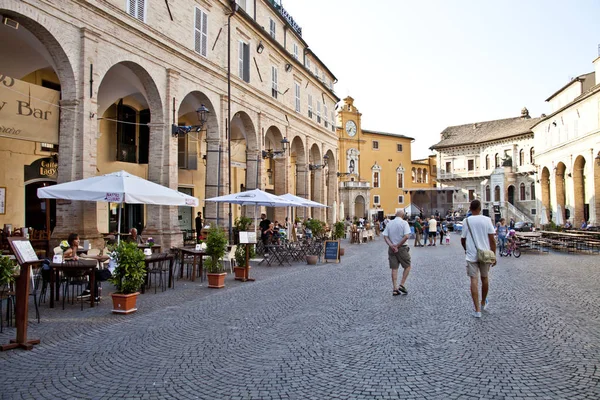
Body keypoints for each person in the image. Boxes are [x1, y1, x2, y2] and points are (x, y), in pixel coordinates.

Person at [461, 200, 496, 318]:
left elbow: (463, 239)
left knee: (473, 280)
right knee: (485, 278)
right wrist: (494, 255)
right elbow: (492, 239)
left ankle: (477, 310)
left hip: (471, 255)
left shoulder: (466, 221)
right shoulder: (487, 220)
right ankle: (483, 301)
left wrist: (466, 249)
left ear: (470, 208)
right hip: (485, 254)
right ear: (480, 208)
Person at [383, 210, 412, 296]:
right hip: (402, 248)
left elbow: (385, 236)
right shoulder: (404, 223)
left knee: (394, 269)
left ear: (395, 215)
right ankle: (401, 284)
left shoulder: (389, 223)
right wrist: (398, 245)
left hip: (391, 249)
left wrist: (392, 245)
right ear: (403, 216)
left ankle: (395, 288)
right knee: (407, 266)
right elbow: (406, 236)